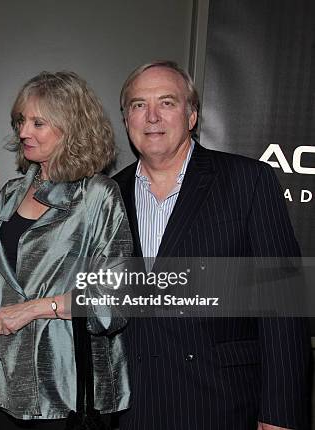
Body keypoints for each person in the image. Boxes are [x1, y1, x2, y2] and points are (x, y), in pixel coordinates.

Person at [113, 60, 310, 430]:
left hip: (221, 402)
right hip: (132, 407)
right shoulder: (108, 195)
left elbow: (284, 302)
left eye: (167, 102)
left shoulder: (247, 181)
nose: (152, 116)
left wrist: (279, 413)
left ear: (191, 116)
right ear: (126, 120)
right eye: (139, 105)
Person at [0, 71, 132, 429]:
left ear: (71, 127)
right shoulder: (10, 192)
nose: (22, 132)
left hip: (69, 387)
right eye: (21, 121)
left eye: (38, 122)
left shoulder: (97, 195)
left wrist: (34, 309)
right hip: (4, 382)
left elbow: (116, 298)